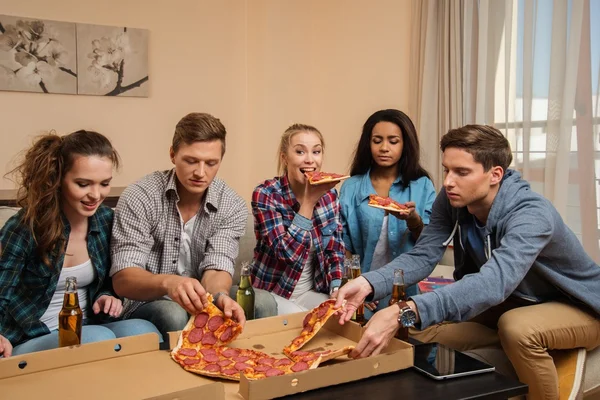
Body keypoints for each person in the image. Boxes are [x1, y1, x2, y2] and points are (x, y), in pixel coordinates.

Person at [334, 124, 600, 400]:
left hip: (579, 307)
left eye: (461, 172)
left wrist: (405, 308)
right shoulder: (452, 200)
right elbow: (424, 255)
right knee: (413, 331)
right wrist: (368, 282)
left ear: (495, 174)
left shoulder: (531, 214)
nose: (448, 181)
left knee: (516, 328)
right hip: (513, 303)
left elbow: (492, 284)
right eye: (447, 169)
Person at [110, 113, 276, 337]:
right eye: (191, 161)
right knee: (172, 313)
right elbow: (123, 279)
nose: (200, 172)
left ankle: (246, 367)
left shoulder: (231, 204)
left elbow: (218, 266)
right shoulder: (141, 196)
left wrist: (220, 296)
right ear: (172, 154)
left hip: (202, 300)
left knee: (262, 302)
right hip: (149, 302)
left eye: (211, 163)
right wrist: (169, 283)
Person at [0, 130, 161, 358]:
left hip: (90, 324)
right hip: (34, 335)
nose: (95, 195)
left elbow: (108, 281)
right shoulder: (25, 227)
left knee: (145, 332)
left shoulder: (106, 220)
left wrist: (106, 296)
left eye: (104, 184)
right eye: (83, 184)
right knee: (97, 339)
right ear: (59, 179)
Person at [340, 109, 435, 317]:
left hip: (405, 291)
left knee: (408, 346)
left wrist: (414, 220)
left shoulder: (422, 186)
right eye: (377, 140)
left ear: (405, 145)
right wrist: (347, 285)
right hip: (363, 289)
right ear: (368, 144)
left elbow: (430, 246)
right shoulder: (351, 187)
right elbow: (344, 248)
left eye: (393, 141)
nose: (384, 148)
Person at [251, 124, 344, 315]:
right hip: (271, 294)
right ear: (284, 158)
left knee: (342, 315)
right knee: (306, 323)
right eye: (300, 151)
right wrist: (309, 202)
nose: (310, 159)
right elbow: (288, 254)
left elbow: (334, 249)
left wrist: (336, 288)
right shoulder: (266, 194)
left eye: (316, 152)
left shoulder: (330, 196)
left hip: (311, 291)